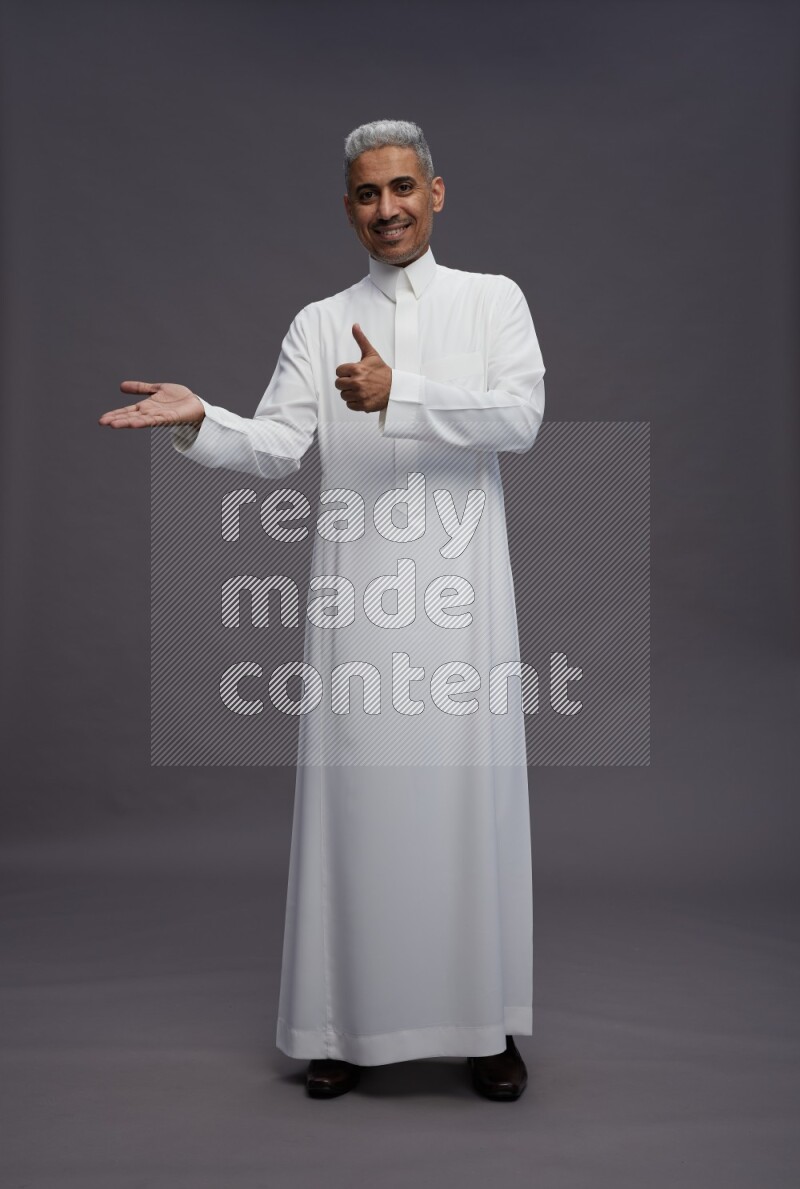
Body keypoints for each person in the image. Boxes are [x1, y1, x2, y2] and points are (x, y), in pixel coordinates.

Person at [99, 119, 546, 1101]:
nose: (383, 209)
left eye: (399, 188)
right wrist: (200, 419)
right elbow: (273, 448)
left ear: (435, 192)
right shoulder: (317, 321)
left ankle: (484, 1028)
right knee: (358, 811)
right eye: (363, 194)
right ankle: (339, 1024)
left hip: (462, 603)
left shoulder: (491, 302)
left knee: (468, 808)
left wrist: (402, 391)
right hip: (358, 604)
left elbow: (519, 417)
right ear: (347, 206)